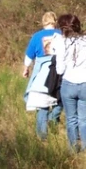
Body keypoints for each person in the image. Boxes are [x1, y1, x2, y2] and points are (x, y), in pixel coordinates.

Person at [54, 13, 86, 151]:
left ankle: (73, 149)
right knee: (84, 120)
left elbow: (59, 70)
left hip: (69, 84)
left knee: (71, 120)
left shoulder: (62, 43)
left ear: (62, 28)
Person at [23, 11, 62, 140]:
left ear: (43, 22)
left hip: (42, 75)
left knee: (42, 107)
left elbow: (29, 56)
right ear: (55, 21)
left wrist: (26, 69)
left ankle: (42, 138)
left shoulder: (36, 36)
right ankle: (53, 118)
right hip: (59, 74)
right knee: (60, 101)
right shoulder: (61, 35)